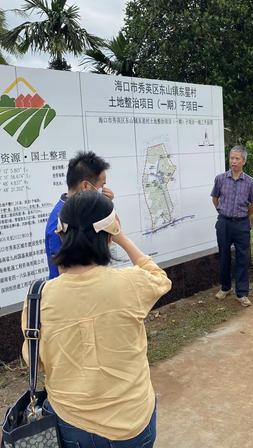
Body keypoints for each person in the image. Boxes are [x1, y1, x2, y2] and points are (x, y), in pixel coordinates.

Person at [22, 190, 172, 447]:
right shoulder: (131, 283)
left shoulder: (38, 297)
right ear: (110, 236)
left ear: (61, 234)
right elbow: (159, 277)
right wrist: (122, 236)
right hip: (133, 419)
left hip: (71, 422)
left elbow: (36, 363)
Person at [45, 151, 113, 279]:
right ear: (86, 186)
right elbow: (59, 274)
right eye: (102, 186)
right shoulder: (59, 221)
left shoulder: (83, 210)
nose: (103, 191)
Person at [211, 146, 253, 307]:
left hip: (241, 224)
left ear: (243, 161)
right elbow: (215, 198)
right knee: (224, 256)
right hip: (224, 223)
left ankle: (242, 293)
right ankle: (225, 288)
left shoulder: (250, 182)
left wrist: (244, 216)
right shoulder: (220, 179)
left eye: (237, 158)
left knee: (242, 258)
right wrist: (221, 211)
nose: (233, 161)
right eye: (232, 158)